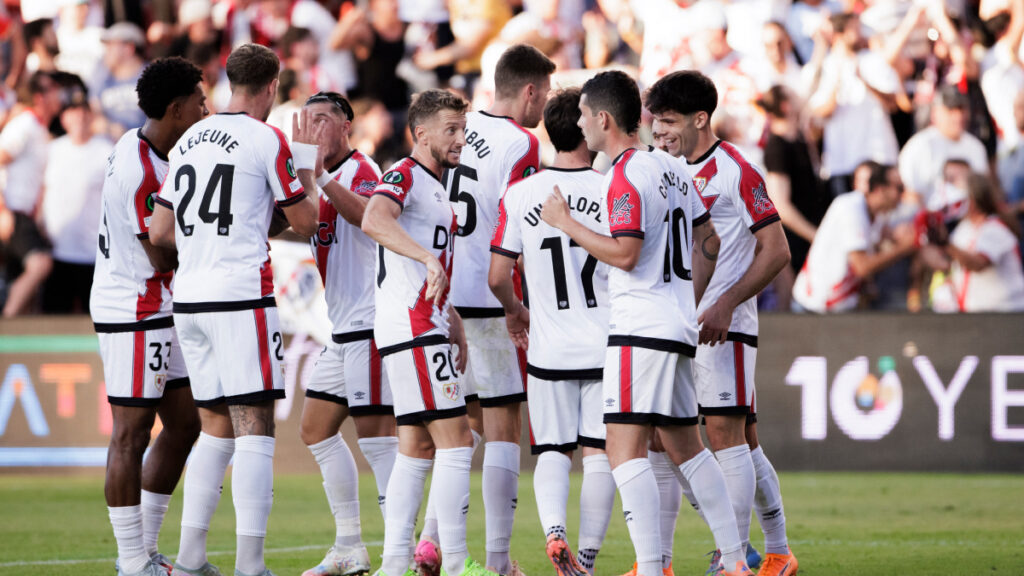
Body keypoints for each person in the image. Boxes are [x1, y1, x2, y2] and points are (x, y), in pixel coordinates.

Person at [539, 70, 751, 576]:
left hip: (639, 330)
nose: (581, 124)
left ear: (604, 118)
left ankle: (653, 568)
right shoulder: (673, 169)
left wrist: (567, 223)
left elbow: (627, 255)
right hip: (674, 327)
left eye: (585, 114)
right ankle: (738, 561)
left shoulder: (625, 175)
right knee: (688, 449)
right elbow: (711, 241)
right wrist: (685, 300)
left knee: (623, 449)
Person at [150, 43, 320, 576]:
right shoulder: (267, 138)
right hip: (240, 296)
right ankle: (250, 565)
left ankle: (192, 557)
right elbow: (308, 220)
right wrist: (307, 162)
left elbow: (160, 231)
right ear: (271, 87)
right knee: (255, 428)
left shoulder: (187, 140)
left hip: (191, 299)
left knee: (215, 425)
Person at [646, 70, 797, 576]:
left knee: (724, 435)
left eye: (668, 122)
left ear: (700, 119)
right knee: (676, 438)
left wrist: (728, 301)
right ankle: (765, 551)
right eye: (654, 122)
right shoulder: (663, 169)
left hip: (722, 326)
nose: (659, 132)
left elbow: (776, 248)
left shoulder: (736, 170)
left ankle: (732, 558)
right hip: (679, 325)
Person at [418, 44, 553, 576]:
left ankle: (429, 543)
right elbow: (518, 221)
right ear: (529, 91)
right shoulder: (520, 141)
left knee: (460, 427)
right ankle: (497, 561)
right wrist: (519, 301)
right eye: (542, 93)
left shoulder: (451, 130)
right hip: (490, 299)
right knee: (502, 428)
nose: (543, 105)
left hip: (441, 298)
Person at [360, 89, 491, 576]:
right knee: (457, 440)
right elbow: (374, 218)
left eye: (463, 129)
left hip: (426, 322)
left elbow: (430, 261)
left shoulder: (438, 185)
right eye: (451, 130)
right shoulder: (404, 174)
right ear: (421, 133)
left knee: (416, 448)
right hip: (412, 327)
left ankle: (395, 563)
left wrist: (451, 315)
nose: (460, 139)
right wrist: (426, 257)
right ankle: (455, 563)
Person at [488, 87, 615, 576]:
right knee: (600, 454)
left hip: (548, 349)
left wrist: (516, 310)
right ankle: (585, 559)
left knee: (551, 451)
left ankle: (554, 533)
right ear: (587, 128)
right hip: (606, 345)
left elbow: (498, 276)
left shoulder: (521, 194)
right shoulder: (612, 188)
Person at [89, 56, 208, 576]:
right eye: (201, 103)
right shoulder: (141, 170)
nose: (208, 110)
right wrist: (219, 240)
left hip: (162, 304)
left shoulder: (153, 150)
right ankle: (131, 560)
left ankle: (149, 550)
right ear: (178, 109)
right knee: (131, 432)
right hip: (133, 305)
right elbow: (161, 253)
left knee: (185, 423)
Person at [298, 90, 397, 576]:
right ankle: (349, 546)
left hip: (372, 324)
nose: (313, 129)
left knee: (379, 443)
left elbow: (371, 218)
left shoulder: (363, 171)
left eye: (323, 120)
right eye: (307, 120)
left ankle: (407, 551)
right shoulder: (316, 177)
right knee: (315, 430)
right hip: (344, 330)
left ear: (345, 126)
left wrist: (319, 176)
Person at [792, 163, 917, 313]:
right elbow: (862, 267)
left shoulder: (877, 214)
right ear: (880, 189)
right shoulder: (850, 208)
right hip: (813, 307)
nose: (901, 195)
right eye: (899, 188)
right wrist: (904, 247)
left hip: (835, 308)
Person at [41, 78, 112, 313]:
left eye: (84, 112)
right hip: (57, 252)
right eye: (73, 111)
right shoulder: (52, 150)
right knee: (52, 321)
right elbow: (42, 191)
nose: (80, 117)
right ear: (64, 118)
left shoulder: (106, 151)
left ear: (91, 117)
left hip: (92, 254)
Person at [0, 71, 62, 316]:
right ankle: (6, 329)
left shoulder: (37, 129)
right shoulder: (24, 125)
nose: (60, 95)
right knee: (40, 264)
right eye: (53, 90)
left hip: (25, 215)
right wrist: (2, 210)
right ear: (40, 98)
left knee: (27, 287)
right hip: (14, 213)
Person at [926, 173, 1024, 312]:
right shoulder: (964, 228)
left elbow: (978, 264)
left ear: (973, 199)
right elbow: (945, 263)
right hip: (978, 318)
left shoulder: (996, 228)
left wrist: (945, 244)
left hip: (1006, 315)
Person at [898, 85, 989, 210]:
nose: (958, 116)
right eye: (951, 110)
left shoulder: (976, 147)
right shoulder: (919, 146)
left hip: (970, 221)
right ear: (935, 112)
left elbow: (983, 194)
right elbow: (911, 196)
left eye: (961, 109)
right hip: (931, 219)